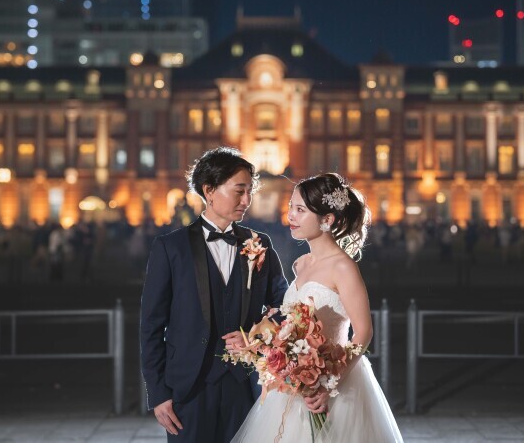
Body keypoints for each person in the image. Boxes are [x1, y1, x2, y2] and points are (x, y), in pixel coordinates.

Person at [232, 173, 402, 442]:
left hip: (335, 383)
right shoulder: (300, 264)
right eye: (290, 206)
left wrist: (330, 383)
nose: (290, 215)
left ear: (327, 219)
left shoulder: (343, 267)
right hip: (293, 385)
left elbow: (364, 332)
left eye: (300, 210)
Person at [140, 147, 288, 442]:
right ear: (209, 190)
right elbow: (151, 327)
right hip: (188, 388)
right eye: (239, 191)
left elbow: (284, 307)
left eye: (249, 192)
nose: (246, 201)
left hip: (245, 386)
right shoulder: (171, 248)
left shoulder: (260, 244)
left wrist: (257, 337)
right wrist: (158, 394)